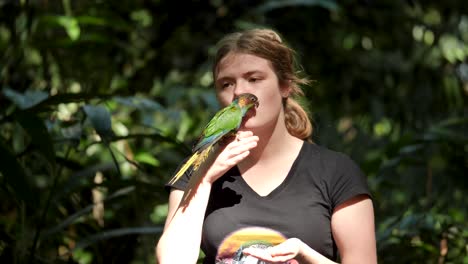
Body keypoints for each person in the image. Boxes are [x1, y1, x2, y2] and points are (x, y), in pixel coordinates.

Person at [156, 28, 377, 264]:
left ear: (286, 86)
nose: (239, 91)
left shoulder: (336, 172)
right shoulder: (197, 166)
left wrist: (305, 254)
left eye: (254, 79)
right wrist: (204, 179)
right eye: (226, 84)